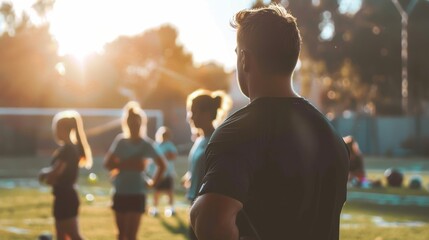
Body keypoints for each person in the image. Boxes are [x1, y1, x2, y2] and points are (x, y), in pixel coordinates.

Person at [190, 4, 349, 240]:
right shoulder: (330, 135)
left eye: (237, 53)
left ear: (244, 59)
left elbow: (212, 223)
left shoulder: (241, 130)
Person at [104, 101, 167, 240]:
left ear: (141, 124)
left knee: (131, 236)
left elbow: (162, 165)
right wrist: (129, 164)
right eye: (132, 123)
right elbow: (107, 163)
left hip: (137, 193)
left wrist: (152, 183)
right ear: (126, 124)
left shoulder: (146, 144)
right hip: (120, 191)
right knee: (121, 235)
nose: (134, 126)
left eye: (137, 124)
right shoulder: (120, 141)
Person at [181, 89, 231, 240]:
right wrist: (191, 176)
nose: (190, 117)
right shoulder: (199, 139)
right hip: (195, 206)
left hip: (207, 212)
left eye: (194, 112)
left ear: (207, 113)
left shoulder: (216, 141)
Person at [38, 110, 92, 240]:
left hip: (66, 197)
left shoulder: (68, 149)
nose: (54, 132)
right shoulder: (68, 149)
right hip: (63, 196)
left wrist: (44, 174)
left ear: (63, 130)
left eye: (56, 128)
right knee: (62, 236)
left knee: (74, 234)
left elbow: (57, 171)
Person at [147, 126, 178, 217]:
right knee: (156, 192)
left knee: (169, 191)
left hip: (167, 173)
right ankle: (155, 209)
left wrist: (164, 156)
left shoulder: (169, 145)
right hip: (158, 173)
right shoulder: (156, 145)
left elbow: (173, 155)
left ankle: (171, 208)